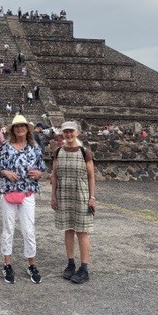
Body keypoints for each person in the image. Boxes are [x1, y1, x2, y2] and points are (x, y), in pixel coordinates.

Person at [0, 114, 46, 285]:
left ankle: (31, 264)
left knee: (28, 229)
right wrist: (6, 172)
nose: (19, 129)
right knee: (8, 228)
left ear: (27, 128)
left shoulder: (34, 148)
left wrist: (39, 174)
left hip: (27, 192)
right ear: (13, 130)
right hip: (9, 191)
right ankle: (7, 264)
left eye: (22, 126)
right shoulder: (5, 146)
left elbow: (42, 168)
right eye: (17, 127)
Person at [51, 121, 96, 285]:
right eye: (65, 132)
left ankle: (84, 268)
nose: (68, 134)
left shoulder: (85, 152)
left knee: (82, 232)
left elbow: (91, 176)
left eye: (71, 131)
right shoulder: (58, 152)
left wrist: (92, 197)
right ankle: (70, 263)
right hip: (64, 194)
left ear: (77, 133)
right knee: (68, 230)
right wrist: (53, 196)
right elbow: (54, 175)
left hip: (81, 196)